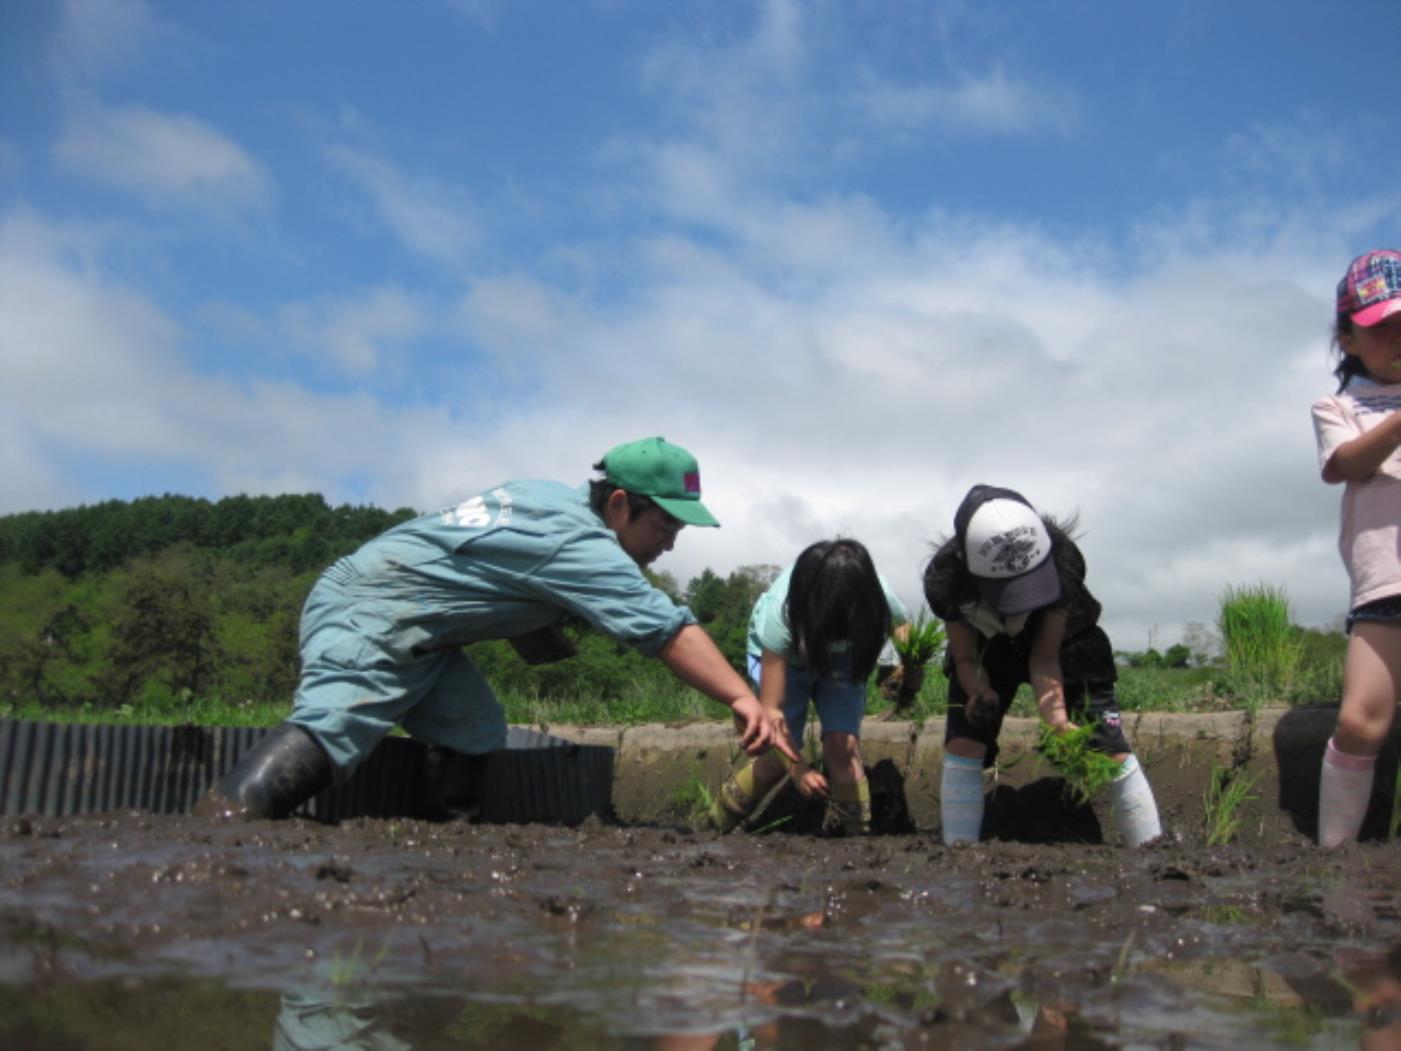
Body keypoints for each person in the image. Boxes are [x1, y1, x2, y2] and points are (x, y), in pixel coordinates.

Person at [198, 437, 798, 820]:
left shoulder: (544, 498)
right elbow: (666, 631)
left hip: (424, 633)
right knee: (334, 726)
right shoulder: (580, 544)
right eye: (666, 525)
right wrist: (744, 697)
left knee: (475, 728)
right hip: (376, 613)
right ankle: (220, 829)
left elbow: (496, 575)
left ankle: (440, 850)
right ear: (620, 504)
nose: (671, 542)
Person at [923, 484, 1161, 847]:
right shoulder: (946, 580)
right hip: (987, 647)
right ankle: (959, 855)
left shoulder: (1063, 559)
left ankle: (1153, 853)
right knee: (964, 743)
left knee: (1109, 747)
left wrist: (1059, 721)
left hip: (1069, 641)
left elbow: (1045, 657)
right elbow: (965, 657)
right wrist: (977, 689)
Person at [709, 538, 908, 836]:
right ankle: (712, 827)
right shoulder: (780, 615)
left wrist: (904, 669)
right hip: (787, 661)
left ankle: (858, 839)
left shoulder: (875, 595)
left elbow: (903, 630)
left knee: (844, 746)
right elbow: (771, 712)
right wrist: (799, 769)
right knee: (774, 762)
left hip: (843, 661)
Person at [1310, 248, 1401, 849]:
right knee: (1357, 720)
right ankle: (1334, 862)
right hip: (1386, 586)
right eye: (1382, 328)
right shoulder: (1339, 408)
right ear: (1348, 339)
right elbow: (1345, 464)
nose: (1399, 338)